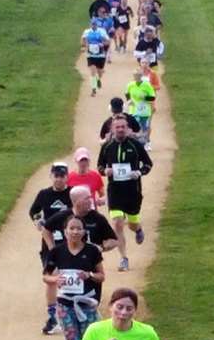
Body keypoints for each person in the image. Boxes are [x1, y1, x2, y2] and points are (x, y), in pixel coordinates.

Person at [43, 215, 105, 340]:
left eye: (79, 228)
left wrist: (90, 275)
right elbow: (46, 276)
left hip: (87, 304)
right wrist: (56, 279)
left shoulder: (92, 251)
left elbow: (102, 276)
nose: (75, 231)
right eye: (72, 228)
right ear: (65, 231)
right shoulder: (57, 252)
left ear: (84, 231)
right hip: (65, 306)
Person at [96, 114, 153, 273]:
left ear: (127, 129)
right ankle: (123, 258)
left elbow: (148, 164)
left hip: (132, 191)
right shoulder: (107, 146)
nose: (120, 129)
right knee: (117, 222)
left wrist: (139, 172)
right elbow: (100, 165)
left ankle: (138, 229)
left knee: (132, 223)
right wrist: (104, 171)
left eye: (123, 127)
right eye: (117, 127)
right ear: (113, 129)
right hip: (115, 190)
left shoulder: (135, 145)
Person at [29, 161, 74, 335]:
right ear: (51, 176)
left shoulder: (72, 193)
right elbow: (34, 211)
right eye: (56, 175)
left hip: (70, 241)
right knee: (51, 277)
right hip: (49, 243)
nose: (59, 179)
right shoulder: (44, 194)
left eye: (62, 176)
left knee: (71, 275)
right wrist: (38, 221)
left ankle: (72, 310)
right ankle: (52, 315)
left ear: (67, 177)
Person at [43, 186, 118, 258]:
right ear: (76, 201)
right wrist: (52, 249)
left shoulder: (97, 218)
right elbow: (46, 230)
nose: (90, 201)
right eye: (87, 198)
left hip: (89, 261)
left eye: (90, 198)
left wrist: (102, 248)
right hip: (66, 259)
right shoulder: (62, 216)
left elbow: (113, 240)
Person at [124, 66, 157, 149]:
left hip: (145, 110)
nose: (136, 77)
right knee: (135, 126)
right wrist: (129, 100)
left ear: (141, 76)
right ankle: (136, 144)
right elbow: (127, 93)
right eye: (135, 75)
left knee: (145, 127)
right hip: (134, 110)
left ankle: (146, 142)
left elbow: (153, 97)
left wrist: (145, 98)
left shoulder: (147, 85)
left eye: (138, 75)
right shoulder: (130, 85)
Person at [82, 18, 112, 98]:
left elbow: (108, 41)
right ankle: (93, 89)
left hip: (100, 55)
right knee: (92, 71)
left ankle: (98, 79)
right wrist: (85, 45)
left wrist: (102, 44)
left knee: (100, 72)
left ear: (97, 25)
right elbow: (83, 41)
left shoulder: (102, 31)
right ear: (90, 24)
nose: (93, 25)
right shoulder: (87, 32)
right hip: (90, 55)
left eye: (95, 24)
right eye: (92, 24)